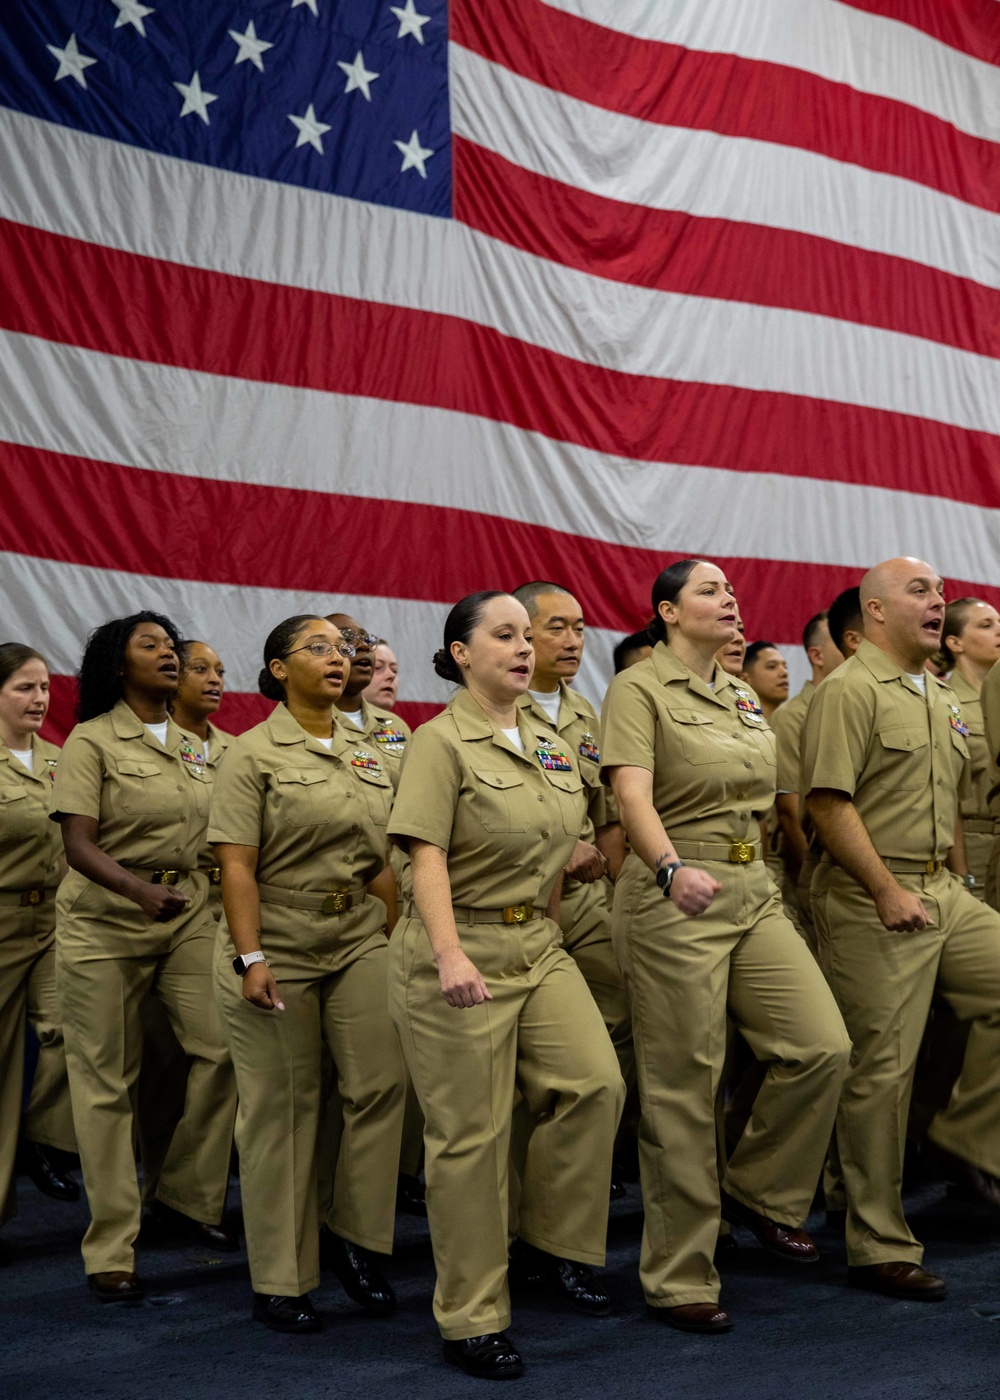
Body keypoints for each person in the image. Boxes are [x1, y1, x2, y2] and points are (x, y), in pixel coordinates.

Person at [601, 560, 850, 1334]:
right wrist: (668, 867)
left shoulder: (741, 694)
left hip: (751, 885)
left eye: (732, 591)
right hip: (677, 888)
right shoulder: (639, 688)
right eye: (710, 591)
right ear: (669, 612)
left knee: (821, 1046)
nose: (729, 600)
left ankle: (756, 1190)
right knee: (684, 1087)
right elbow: (630, 793)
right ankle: (679, 1277)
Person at [387, 591, 624, 1380]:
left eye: (529, 636)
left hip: (537, 940)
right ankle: (470, 1317)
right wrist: (449, 955)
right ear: (460, 652)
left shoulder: (553, 739)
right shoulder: (439, 741)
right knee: (470, 1140)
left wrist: (548, 918)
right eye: (505, 636)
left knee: (595, 1085)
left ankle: (545, 1243)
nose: (525, 648)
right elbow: (426, 855)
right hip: (460, 945)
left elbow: (562, 844)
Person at [803, 558, 1000, 1300]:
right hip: (868, 893)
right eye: (919, 591)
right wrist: (885, 889)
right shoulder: (852, 689)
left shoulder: (942, 695)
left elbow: (945, 801)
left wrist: (959, 884)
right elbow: (826, 804)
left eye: (941, 592)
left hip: (942, 888)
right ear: (875, 612)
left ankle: (965, 1138)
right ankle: (877, 1242)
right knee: (879, 1072)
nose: (937, 601)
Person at [210, 615, 407, 1334]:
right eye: (316, 648)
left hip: (357, 931)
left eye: (342, 647)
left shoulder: (373, 745)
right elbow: (236, 864)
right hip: (278, 938)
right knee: (283, 1111)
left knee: (382, 1083)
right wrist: (251, 956)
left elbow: (387, 857)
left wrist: (395, 935)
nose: (337, 657)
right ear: (276, 669)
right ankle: (281, 1278)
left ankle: (354, 1239)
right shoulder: (251, 753)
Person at [51, 613, 237, 1304]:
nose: (168, 654)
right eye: (150, 645)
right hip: (105, 919)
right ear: (116, 664)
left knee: (221, 1048)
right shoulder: (92, 740)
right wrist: (135, 891)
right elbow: (78, 844)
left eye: (172, 646)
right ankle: (110, 1246)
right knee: (106, 1081)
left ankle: (184, 1196)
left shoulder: (206, 746)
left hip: (186, 914)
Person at [511, 581, 633, 1101]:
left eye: (580, 628)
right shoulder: (497, 708)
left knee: (622, 1008)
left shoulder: (584, 712)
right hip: (522, 897)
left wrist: (618, 888)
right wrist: (560, 852)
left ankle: (582, 1142)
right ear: (522, 635)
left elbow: (605, 816)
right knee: (526, 1039)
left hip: (587, 897)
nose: (573, 640)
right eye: (556, 627)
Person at [0, 644, 78, 1244]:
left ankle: (44, 1139)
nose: (40, 698)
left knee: (70, 1033)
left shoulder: (61, 761)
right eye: (25, 687)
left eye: (45, 687)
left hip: (55, 921)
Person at [940, 600, 1000, 897]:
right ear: (955, 643)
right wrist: (962, 874)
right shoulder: (946, 702)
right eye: (986, 625)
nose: (998, 631)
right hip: (977, 846)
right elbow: (946, 794)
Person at [327, 614, 412, 782]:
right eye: (348, 639)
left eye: (367, 639)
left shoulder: (397, 726)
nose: (364, 646)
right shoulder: (310, 722)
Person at [739, 642, 789, 723]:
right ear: (744, 680)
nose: (784, 673)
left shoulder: (796, 720)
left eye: (785, 667)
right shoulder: (737, 725)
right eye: (772, 666)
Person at [362, 641, 400, 711]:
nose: (391, 675)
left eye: (394, 670)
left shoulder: (398, 722)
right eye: (378, 667)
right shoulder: (336, 721)